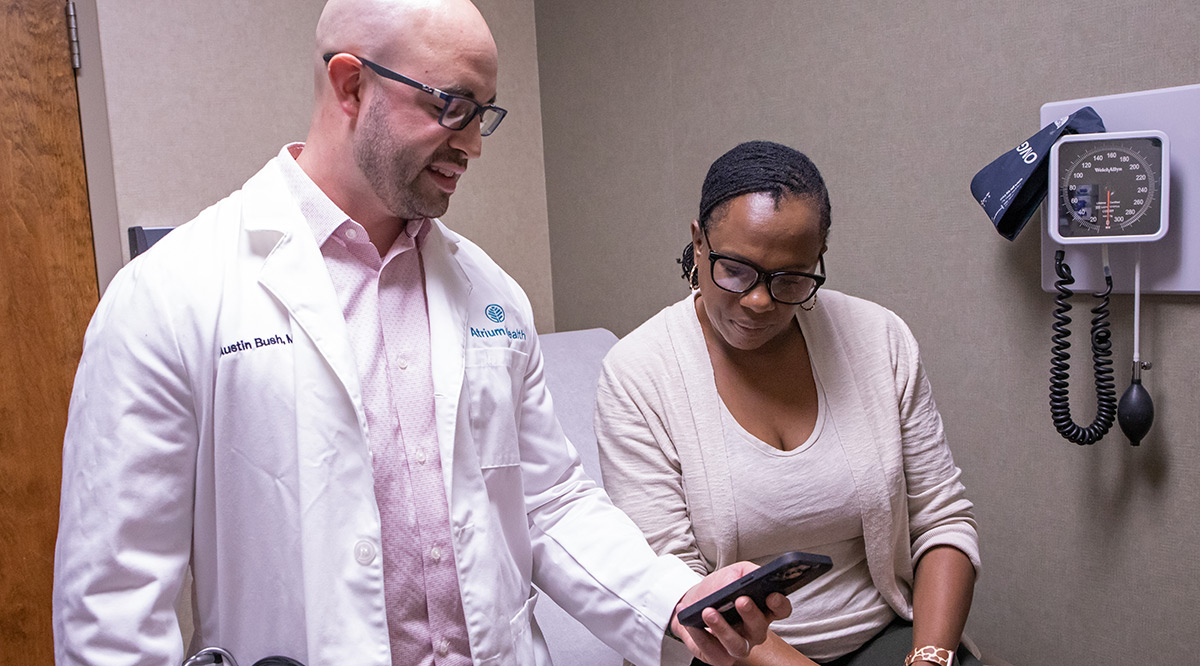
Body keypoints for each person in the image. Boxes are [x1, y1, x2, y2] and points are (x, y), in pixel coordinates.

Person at [51, 3, 789, 665]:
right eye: (451, 106)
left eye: (484, 113)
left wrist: (675, 598)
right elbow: (112, 604)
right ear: (351, 86)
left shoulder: (491, 294)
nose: (473, 144)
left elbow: (548, 501)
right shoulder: (171, 293)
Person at [594, 141, 981, 666]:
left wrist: (932, 657)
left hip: (882, 638)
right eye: (735, 270)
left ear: (819, 258)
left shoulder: (879, 339)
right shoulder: (638, 372)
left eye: (791, 279)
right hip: (724, 654)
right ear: (698, 243)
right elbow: (676, 579)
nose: (759, 301)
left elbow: (941, 520)